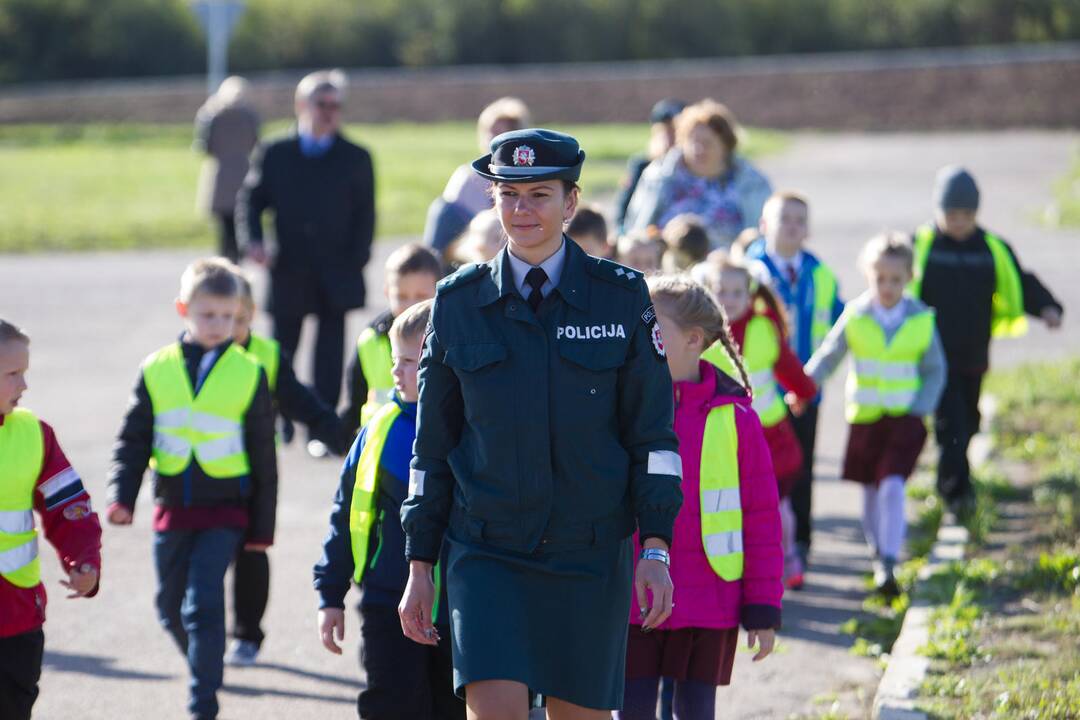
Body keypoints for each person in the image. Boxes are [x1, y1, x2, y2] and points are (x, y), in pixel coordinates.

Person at [398, 129, 683, 718]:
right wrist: (419, 562)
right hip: (487, 550)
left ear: (570, 202)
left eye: (539, 195)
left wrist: (656, 547)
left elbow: (653, 437)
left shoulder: (621, 298)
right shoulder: (458, 302)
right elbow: (432, 447)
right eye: (509, 194)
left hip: (589, 551)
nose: (522, 210)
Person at [106, 259, 277, 720]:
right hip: (172, 507)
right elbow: (133, 439)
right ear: (183, 309)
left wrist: (262, 528)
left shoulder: (250, 371)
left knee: (203, 603)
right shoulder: (155, 368)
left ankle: (203, 702)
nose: (218, 325)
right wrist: (121, 496)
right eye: (207, 315)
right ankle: (208, 663)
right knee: (168, 607)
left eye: (227, 316)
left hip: (227, 509)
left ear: (239, 315)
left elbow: (265, 457)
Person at [615, 275, 782, 720]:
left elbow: (762, 517)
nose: (639, 338)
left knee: (694, 712)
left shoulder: (737, 419)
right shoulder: (619, 408)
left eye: (653, 330)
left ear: (693, 340)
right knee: (629, 711)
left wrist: (762, 607)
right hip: (634, 595)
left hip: (710, 599)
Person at [315, 300, 464, 720]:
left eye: (411, 362)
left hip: (460, 604)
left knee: (451, 708)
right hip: (386, 599)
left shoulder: (476, 429)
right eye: (396, 359)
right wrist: (330, 594)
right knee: (391, 703)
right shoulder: (376, 429)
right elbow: (346, 513)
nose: (396, 372)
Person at [236, 69, 376, 458]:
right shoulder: (275, 152)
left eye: (336, 105)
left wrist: (357, 260)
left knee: (330, 354)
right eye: (322, 104)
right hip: (289, 268)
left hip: (336, 271)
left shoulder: (356, 157)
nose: (329, 112)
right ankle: (276, 417)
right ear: (301, 106)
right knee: (282, 348)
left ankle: (323, 426)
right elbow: (251, 201)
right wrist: (255, 244)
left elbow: (366, 215)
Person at [910, 166, 1063, 515]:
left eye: (966, 215)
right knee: (951, 425)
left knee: (969, 420)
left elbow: (1022, 281)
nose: (959, 222)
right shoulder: (922, 248)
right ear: (938, 211)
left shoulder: (991, 249)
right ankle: (955, 494)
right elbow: (893, 282)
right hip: (934, 357)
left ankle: (955, 481)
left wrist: (1048, 307)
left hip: (974, 355)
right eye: (951, 214)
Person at [806, 233, 947, 595]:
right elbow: (830, 354)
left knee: (892, 485)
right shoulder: (856, 315)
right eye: (879, 278)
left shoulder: (920, 319)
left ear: (908, 278)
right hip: (866, 418)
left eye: (895, 279)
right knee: (869, 490)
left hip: (905, 419)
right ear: (868, 276)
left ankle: (889, 559)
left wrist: (922, 407)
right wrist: (804, 385)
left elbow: (935, 369)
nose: (887, 286)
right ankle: (876, 551)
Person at [224, 265, 345, 667]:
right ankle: (203, 628)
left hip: (252, 478)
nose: (229, 327)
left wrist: (344, 438)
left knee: (251, 552)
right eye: (219, 316)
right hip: (197, 483)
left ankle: (246, 633)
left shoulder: (266, 356)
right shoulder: (183, 359)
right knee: (200, 562)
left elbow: (305, 406)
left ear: (252, 314)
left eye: (238, 319)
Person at [694, 257, 817, 589]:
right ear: (708, 292)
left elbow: (787, 365)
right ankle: (753, 567)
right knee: (740, 507)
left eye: (736, 292)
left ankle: (789, 555)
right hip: (724, 439)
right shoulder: (701, 332)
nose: (729, 299)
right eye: (721, 291)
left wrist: (804, 392)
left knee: (776, 504)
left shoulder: (761, 327)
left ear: (750, 295)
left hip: (768, 434)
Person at [0, 319, 102, 720]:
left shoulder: (34, 434)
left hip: (16, 616)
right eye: (12, 374)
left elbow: (70, 506)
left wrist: (85, 559)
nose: (24, 385)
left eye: (24, 372)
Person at [743, 191, 843, 574]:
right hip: (759, 397)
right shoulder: (748, 272)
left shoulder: (821, 275)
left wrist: (814, 379)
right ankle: (760, 549)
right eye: (784, 218)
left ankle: (799, 544)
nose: (792, 226)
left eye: (800, 220)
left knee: (800, 469)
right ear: (764, 225)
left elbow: (838, 327)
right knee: (757, 472)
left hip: (804, 392)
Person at [624, 99, 773, 250]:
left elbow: (763, 237)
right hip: (664, 266)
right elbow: (636, 228)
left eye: (707, 143)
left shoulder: (752, 182)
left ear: (726, 145)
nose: (698, 149)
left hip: (729, 267)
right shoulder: (658, 175)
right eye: (693, 141)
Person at [340, 244, 442, 441]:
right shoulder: (369, 340)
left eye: (421, 296)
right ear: (387, 292)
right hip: (378, 445)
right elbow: (355, 402)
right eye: (401, 296)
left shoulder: (448, 339)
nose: (411, 305)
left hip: (429, 447)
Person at [423, 97, 532, 253]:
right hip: (471, 242)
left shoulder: (527, 177)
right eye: (490, 132)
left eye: (500, 134)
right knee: (441, 209)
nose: (491, 140)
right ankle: (430, 266)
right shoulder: (469, 174)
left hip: (506, 238)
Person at [194, 76, 261, 263]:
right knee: (240, 225)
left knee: (224, 230)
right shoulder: (250, 116)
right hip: (243, 171)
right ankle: (237, 265)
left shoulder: (212, 114)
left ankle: (225, 265)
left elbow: (203, 146)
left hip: (221, 173)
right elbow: (256, 142)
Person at [613, 99, 686, 235]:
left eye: (675, 131)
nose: (670, 137)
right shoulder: (643, 165)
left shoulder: (691, 168)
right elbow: (623, 206)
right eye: (664, 131)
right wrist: (621, 232)